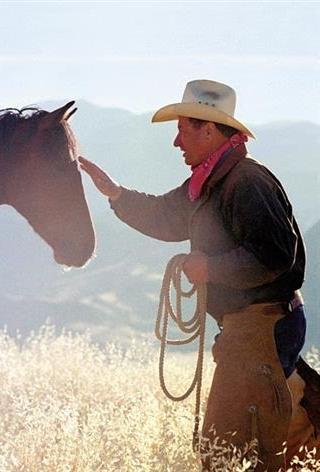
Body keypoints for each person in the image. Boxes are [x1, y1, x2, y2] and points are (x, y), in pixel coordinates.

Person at [79, 80, 320, 471]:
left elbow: (275, 255)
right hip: (251, 331)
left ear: (208, 129)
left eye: (182, 129)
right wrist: (116, 194)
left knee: (236, 448)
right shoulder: (211, 182)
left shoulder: (246, 181)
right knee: (246, 440)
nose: (177, 142)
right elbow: (165, 215)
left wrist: (210, 267)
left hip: (261, 329)